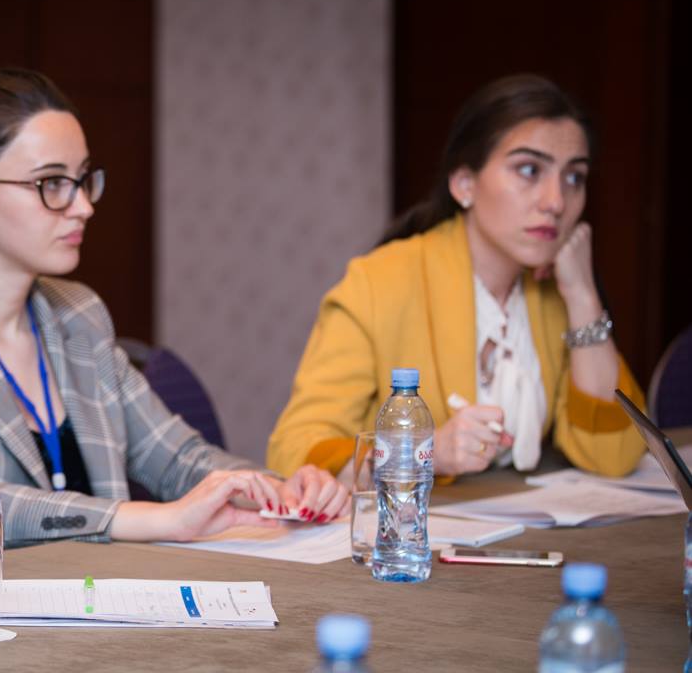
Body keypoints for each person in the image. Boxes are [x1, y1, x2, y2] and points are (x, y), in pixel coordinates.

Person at [0, 68, 347, 547]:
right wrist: (149, 520)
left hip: (103, 599)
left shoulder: (76, 313)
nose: (83, 206)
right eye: (51, 184)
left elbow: (177, 458)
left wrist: (280, 491)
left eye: (82, 180)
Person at [266, 74, 646, 481]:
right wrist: (421, 454)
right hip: (408, 520)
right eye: (529, 170)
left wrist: (582, 294)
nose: (556, 202)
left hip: (523, 517)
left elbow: (615, 454)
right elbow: (295, 448)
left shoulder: (556, 292)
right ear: (464, 184)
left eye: (574, 178)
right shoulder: (377, 282)